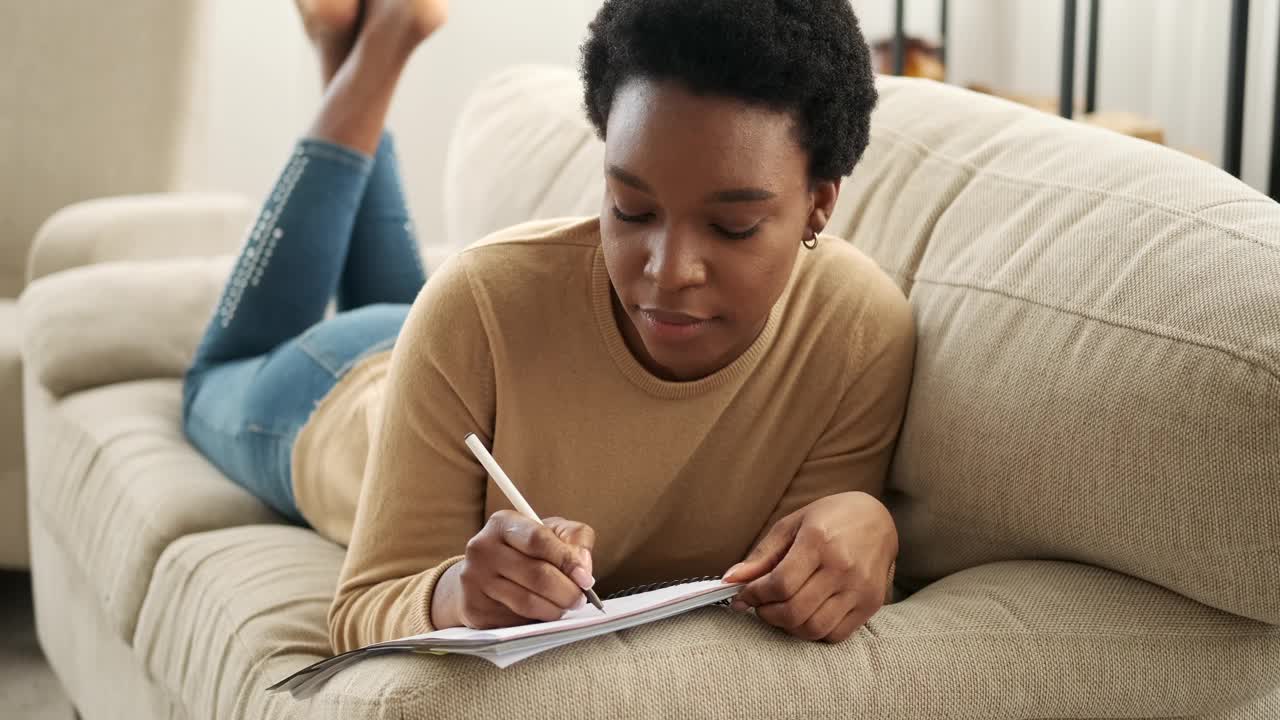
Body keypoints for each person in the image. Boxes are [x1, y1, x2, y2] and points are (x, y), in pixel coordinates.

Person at [183, 0, 915, 657]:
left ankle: (346, 45)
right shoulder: (477, 303)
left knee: (419, 302)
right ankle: (366, 53)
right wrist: (458, 595)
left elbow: (794, 584)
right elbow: (361, 608)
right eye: (631, 209)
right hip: (334, 399)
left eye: (732, 227)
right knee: (212, 378)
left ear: (820, 203)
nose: (668, 272)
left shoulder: (856, 333)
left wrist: (869, 524)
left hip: (454, 349)